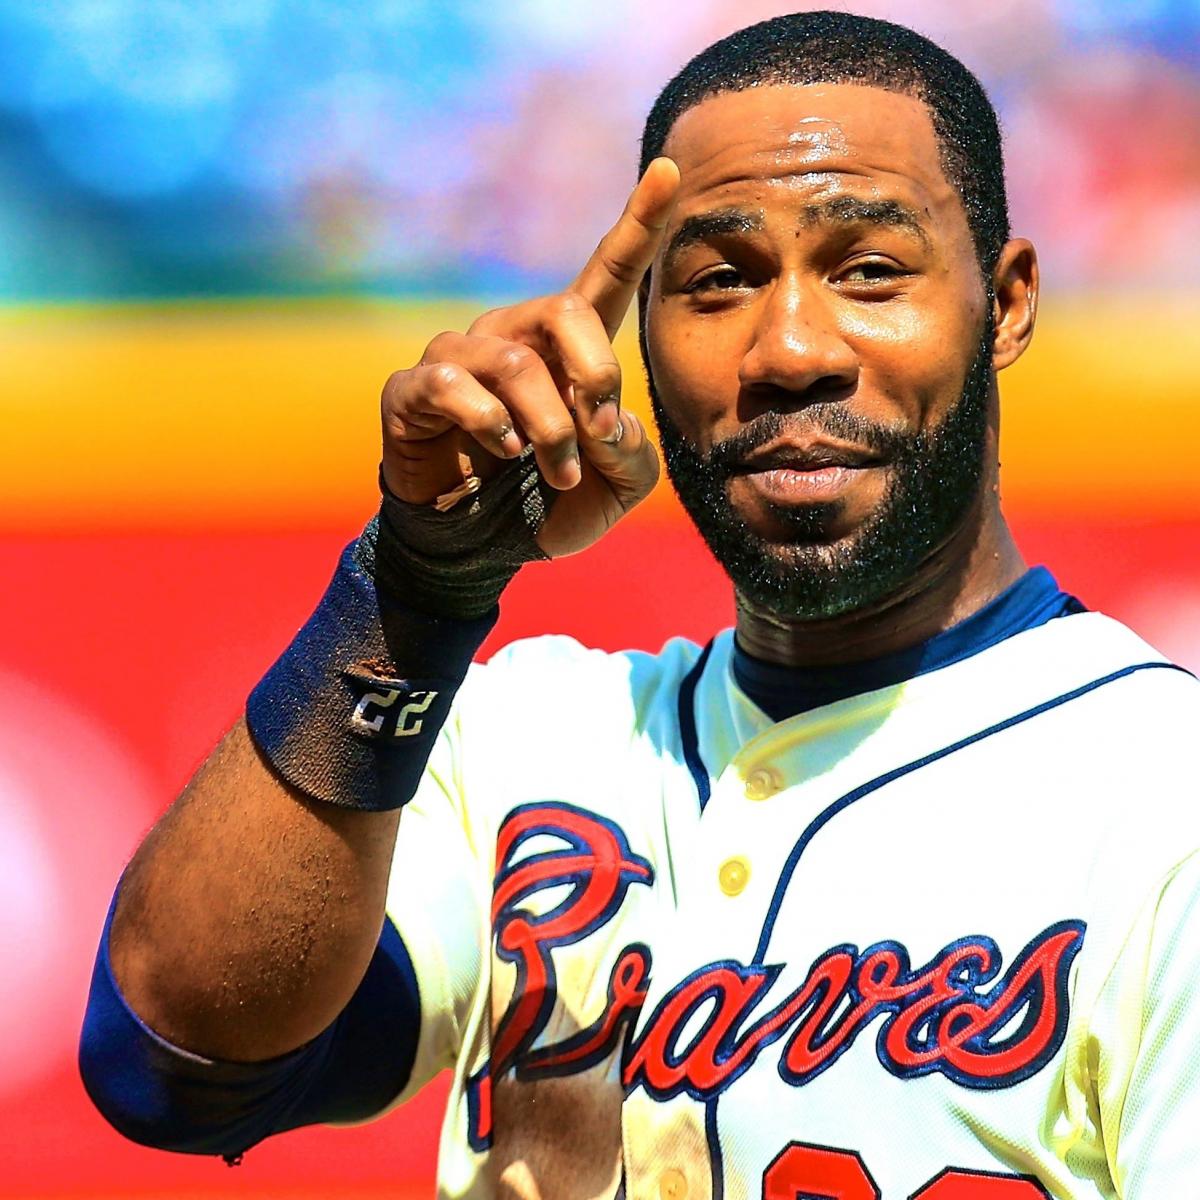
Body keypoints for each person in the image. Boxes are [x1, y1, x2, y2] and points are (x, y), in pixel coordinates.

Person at [80, 11, 1200, 1199]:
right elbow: (172, 1064)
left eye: (870, 268)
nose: (791, 347)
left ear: (1009, 302)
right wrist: (414, 589)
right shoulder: (525, 742)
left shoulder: (1157, 793)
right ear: (643, 336)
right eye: (719, 281)